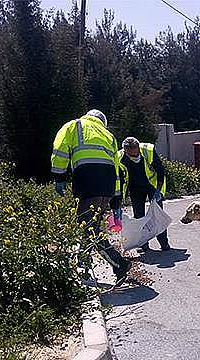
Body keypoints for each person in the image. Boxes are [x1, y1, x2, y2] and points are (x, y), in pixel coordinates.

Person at [51, 109, 132, 286]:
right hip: (107, 186)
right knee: (90, 228)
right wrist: (116, 200)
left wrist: (59, 177)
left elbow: (60, 150)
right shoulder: (109, 135)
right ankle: (98, 265)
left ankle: (113, 265)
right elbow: (116, 169)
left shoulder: (74, 125)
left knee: (87, 229)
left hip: (88, 182)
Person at [114, 136, 170, 253]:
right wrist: (118, 199)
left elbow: (160, 171)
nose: (133, 156)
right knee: (139, 216)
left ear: (138, 148)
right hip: (135, 189)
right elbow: (119, 178)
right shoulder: (119, 157)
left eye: (135, 154)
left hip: (152, 186)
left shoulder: (148, 150)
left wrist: (158, 191)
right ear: (125, 151)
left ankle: (164, 243)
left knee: (157, 215)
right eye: (130, 155)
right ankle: (143, 244)